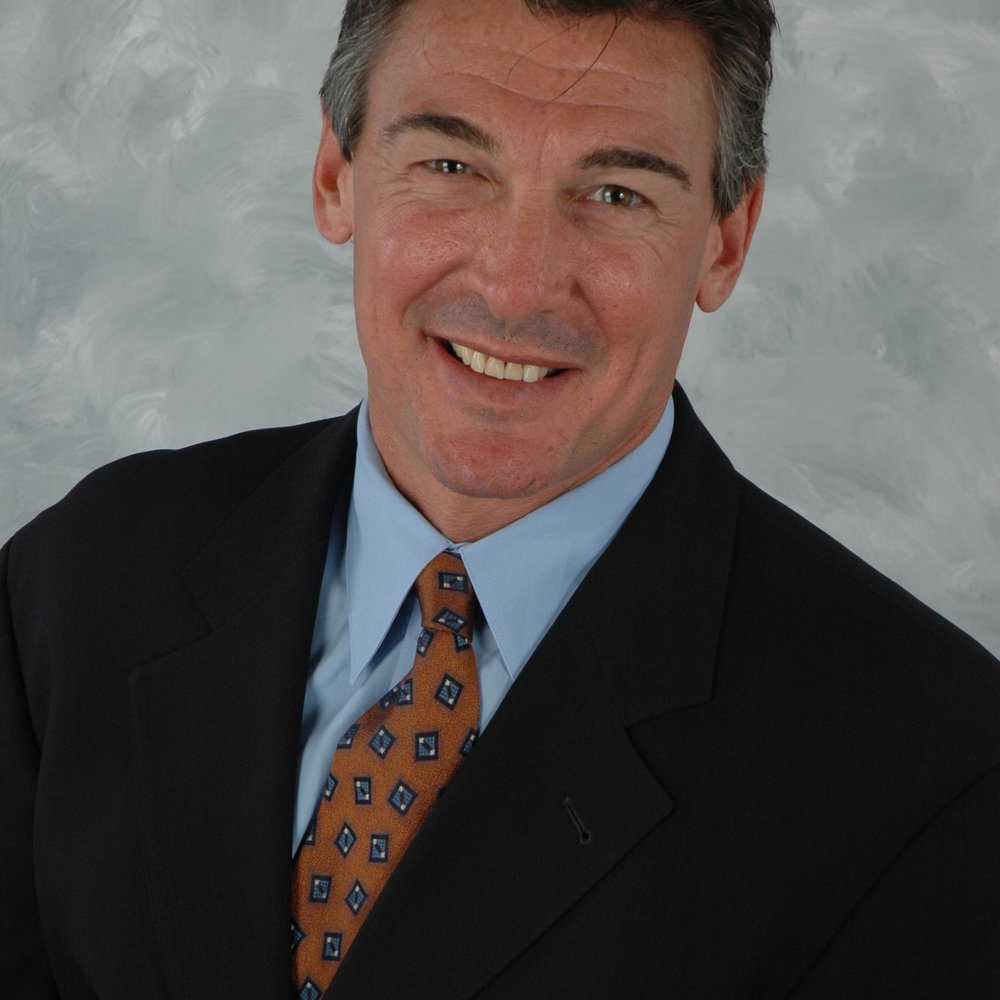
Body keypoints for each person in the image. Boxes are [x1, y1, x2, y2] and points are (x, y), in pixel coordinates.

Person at [2, 0, 998, 996]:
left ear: (726, 240)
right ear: (335, 175)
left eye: (614, 193)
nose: (517, 285)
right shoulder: (85, 576)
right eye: (452, 166)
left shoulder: (932, 767)